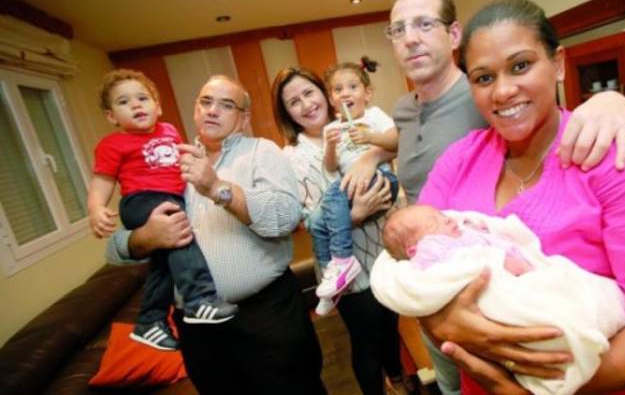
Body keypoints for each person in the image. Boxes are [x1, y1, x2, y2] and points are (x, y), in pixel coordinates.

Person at [416, 0, 625, 394]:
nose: (503, 91)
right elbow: (412, 269)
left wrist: (539, 386)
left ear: (558, 63)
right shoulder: (458, 162)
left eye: (521, 65)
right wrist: (439, 323)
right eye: (484, 78)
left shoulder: (610, 157)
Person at [386, 0, 625, 394]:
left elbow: (545, 111)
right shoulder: (404, 110)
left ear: (453, 35)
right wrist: (373, 154)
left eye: (424, 24)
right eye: (398, 28)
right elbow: (405, 149)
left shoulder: (486, 97)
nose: (410, 39)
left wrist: (614, 101)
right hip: (436, 277)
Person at [105, 75, 326, 394]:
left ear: (243, 118)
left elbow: (283, 218)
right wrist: (145, 238)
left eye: (226, 105)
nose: (212, 111)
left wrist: (216, 187)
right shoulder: (166, 161)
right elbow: (114, 250)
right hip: (199, 328)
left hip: (266, 315)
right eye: (206, 102)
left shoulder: (261, 152)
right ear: (195, 109)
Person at [371, 205, 625, 395]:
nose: (448, 219)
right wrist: (498, 262)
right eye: (435, 222)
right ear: (415, 250)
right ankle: (575, 335)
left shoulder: (458, 231)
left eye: (441, 215)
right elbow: (442, 272)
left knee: (570, 285)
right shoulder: (432, 251)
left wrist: (481, 228)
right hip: (505, 290)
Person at [273, 66, 407, 395]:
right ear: (286, 113)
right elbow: (311, 219)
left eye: (309, 93)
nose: (305, 104)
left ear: (325, 94)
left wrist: (373, 156)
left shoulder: (358, 125)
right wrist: (356, 215)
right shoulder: (290, 157)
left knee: (392, 328)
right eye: (293, 102)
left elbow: (397, 146)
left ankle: (401, 381)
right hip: (345, 269)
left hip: (385, 251)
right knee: (367, 341)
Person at [88, 69, 237, 351]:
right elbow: (102, 180)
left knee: (165, 261)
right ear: (111, 116)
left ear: (157, 106)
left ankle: (150, 321)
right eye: (123, 102)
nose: (135, 105)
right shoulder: (113, 144)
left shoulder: (169, 130)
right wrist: (96, 208)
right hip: (142, 200)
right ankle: (198, 299)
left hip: (172, 197)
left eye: (142, 98)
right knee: (179, 233)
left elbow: (178, 165)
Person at [310, 57, 400, 314]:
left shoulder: (374, 116)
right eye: (338, 90)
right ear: (331, 99)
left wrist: (371, 136)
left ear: (367, 93)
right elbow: (330, 167)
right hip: (350, 189)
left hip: (381, 182)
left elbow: (396, 140)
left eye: (352, 87)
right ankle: (333, 277)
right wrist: (329, 145)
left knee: (332, 195)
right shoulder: (332, 128)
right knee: (317, 220)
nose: (345, 93)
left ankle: (342, 259)